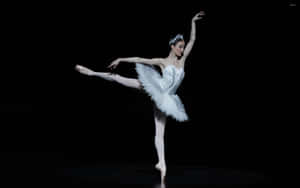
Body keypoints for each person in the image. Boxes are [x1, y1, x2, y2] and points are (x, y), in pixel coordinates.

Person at [75, 11, 205, 182]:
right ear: (172, 47)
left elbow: (193, 40)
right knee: (121, 79)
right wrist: (122, 58)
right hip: (155, 88)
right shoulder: (162, 61)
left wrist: (192, 22)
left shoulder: (182, 62)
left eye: (183, 46)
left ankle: (162, 163)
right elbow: (140, 58)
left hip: (166, 99)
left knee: (160, 132)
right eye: (179, 46)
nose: (182, 49)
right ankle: (93, 73)